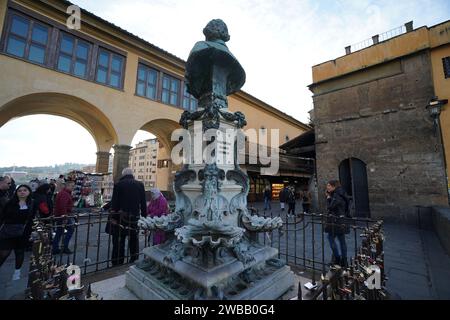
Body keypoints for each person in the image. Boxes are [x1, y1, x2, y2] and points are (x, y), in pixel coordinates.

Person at [110, 168, 147, 265]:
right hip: (134, 217)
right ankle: (134, 259)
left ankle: (118, 261)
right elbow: (143, 203)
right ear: (132, 174)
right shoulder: (140, 185)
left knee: (119, 240)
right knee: (134, 239)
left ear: (123, 175)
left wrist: (113, 217)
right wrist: (144, 217)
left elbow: (114, 203)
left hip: (120, 218)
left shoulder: (118, 184)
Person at [0, 185, 36, 280]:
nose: (22, 192)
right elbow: (3, 216)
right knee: (4, 253)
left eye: (25, 190)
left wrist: (30, 233)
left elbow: (32, 219)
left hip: (23, 232)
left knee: (19, 252)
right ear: (16, 192)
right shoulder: (10, 203)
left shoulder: (32, 203)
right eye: (19, 190)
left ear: (29, 192)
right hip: (7, 232)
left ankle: (17, 272)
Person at [325, 180, 349, 267]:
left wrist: (328, 198)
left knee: (330, 238)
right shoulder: (341, 193)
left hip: (336, 221)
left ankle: (337, 258)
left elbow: (330, 207)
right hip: (342, 220)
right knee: (342, 240)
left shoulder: (337, 195)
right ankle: (344, 261)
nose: (327, 187)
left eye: (328, 186)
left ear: (334, 186)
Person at [52, 180, 75, 254]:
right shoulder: (65, 194)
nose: (73, 188)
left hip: (60, 215)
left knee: (59, 231)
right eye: (72, 186)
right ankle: (64, 247)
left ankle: (55, 248)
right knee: (70, 229)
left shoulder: (64, 193)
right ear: (67, 186)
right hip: (63, 216)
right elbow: (62, 206)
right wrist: (64, 217)